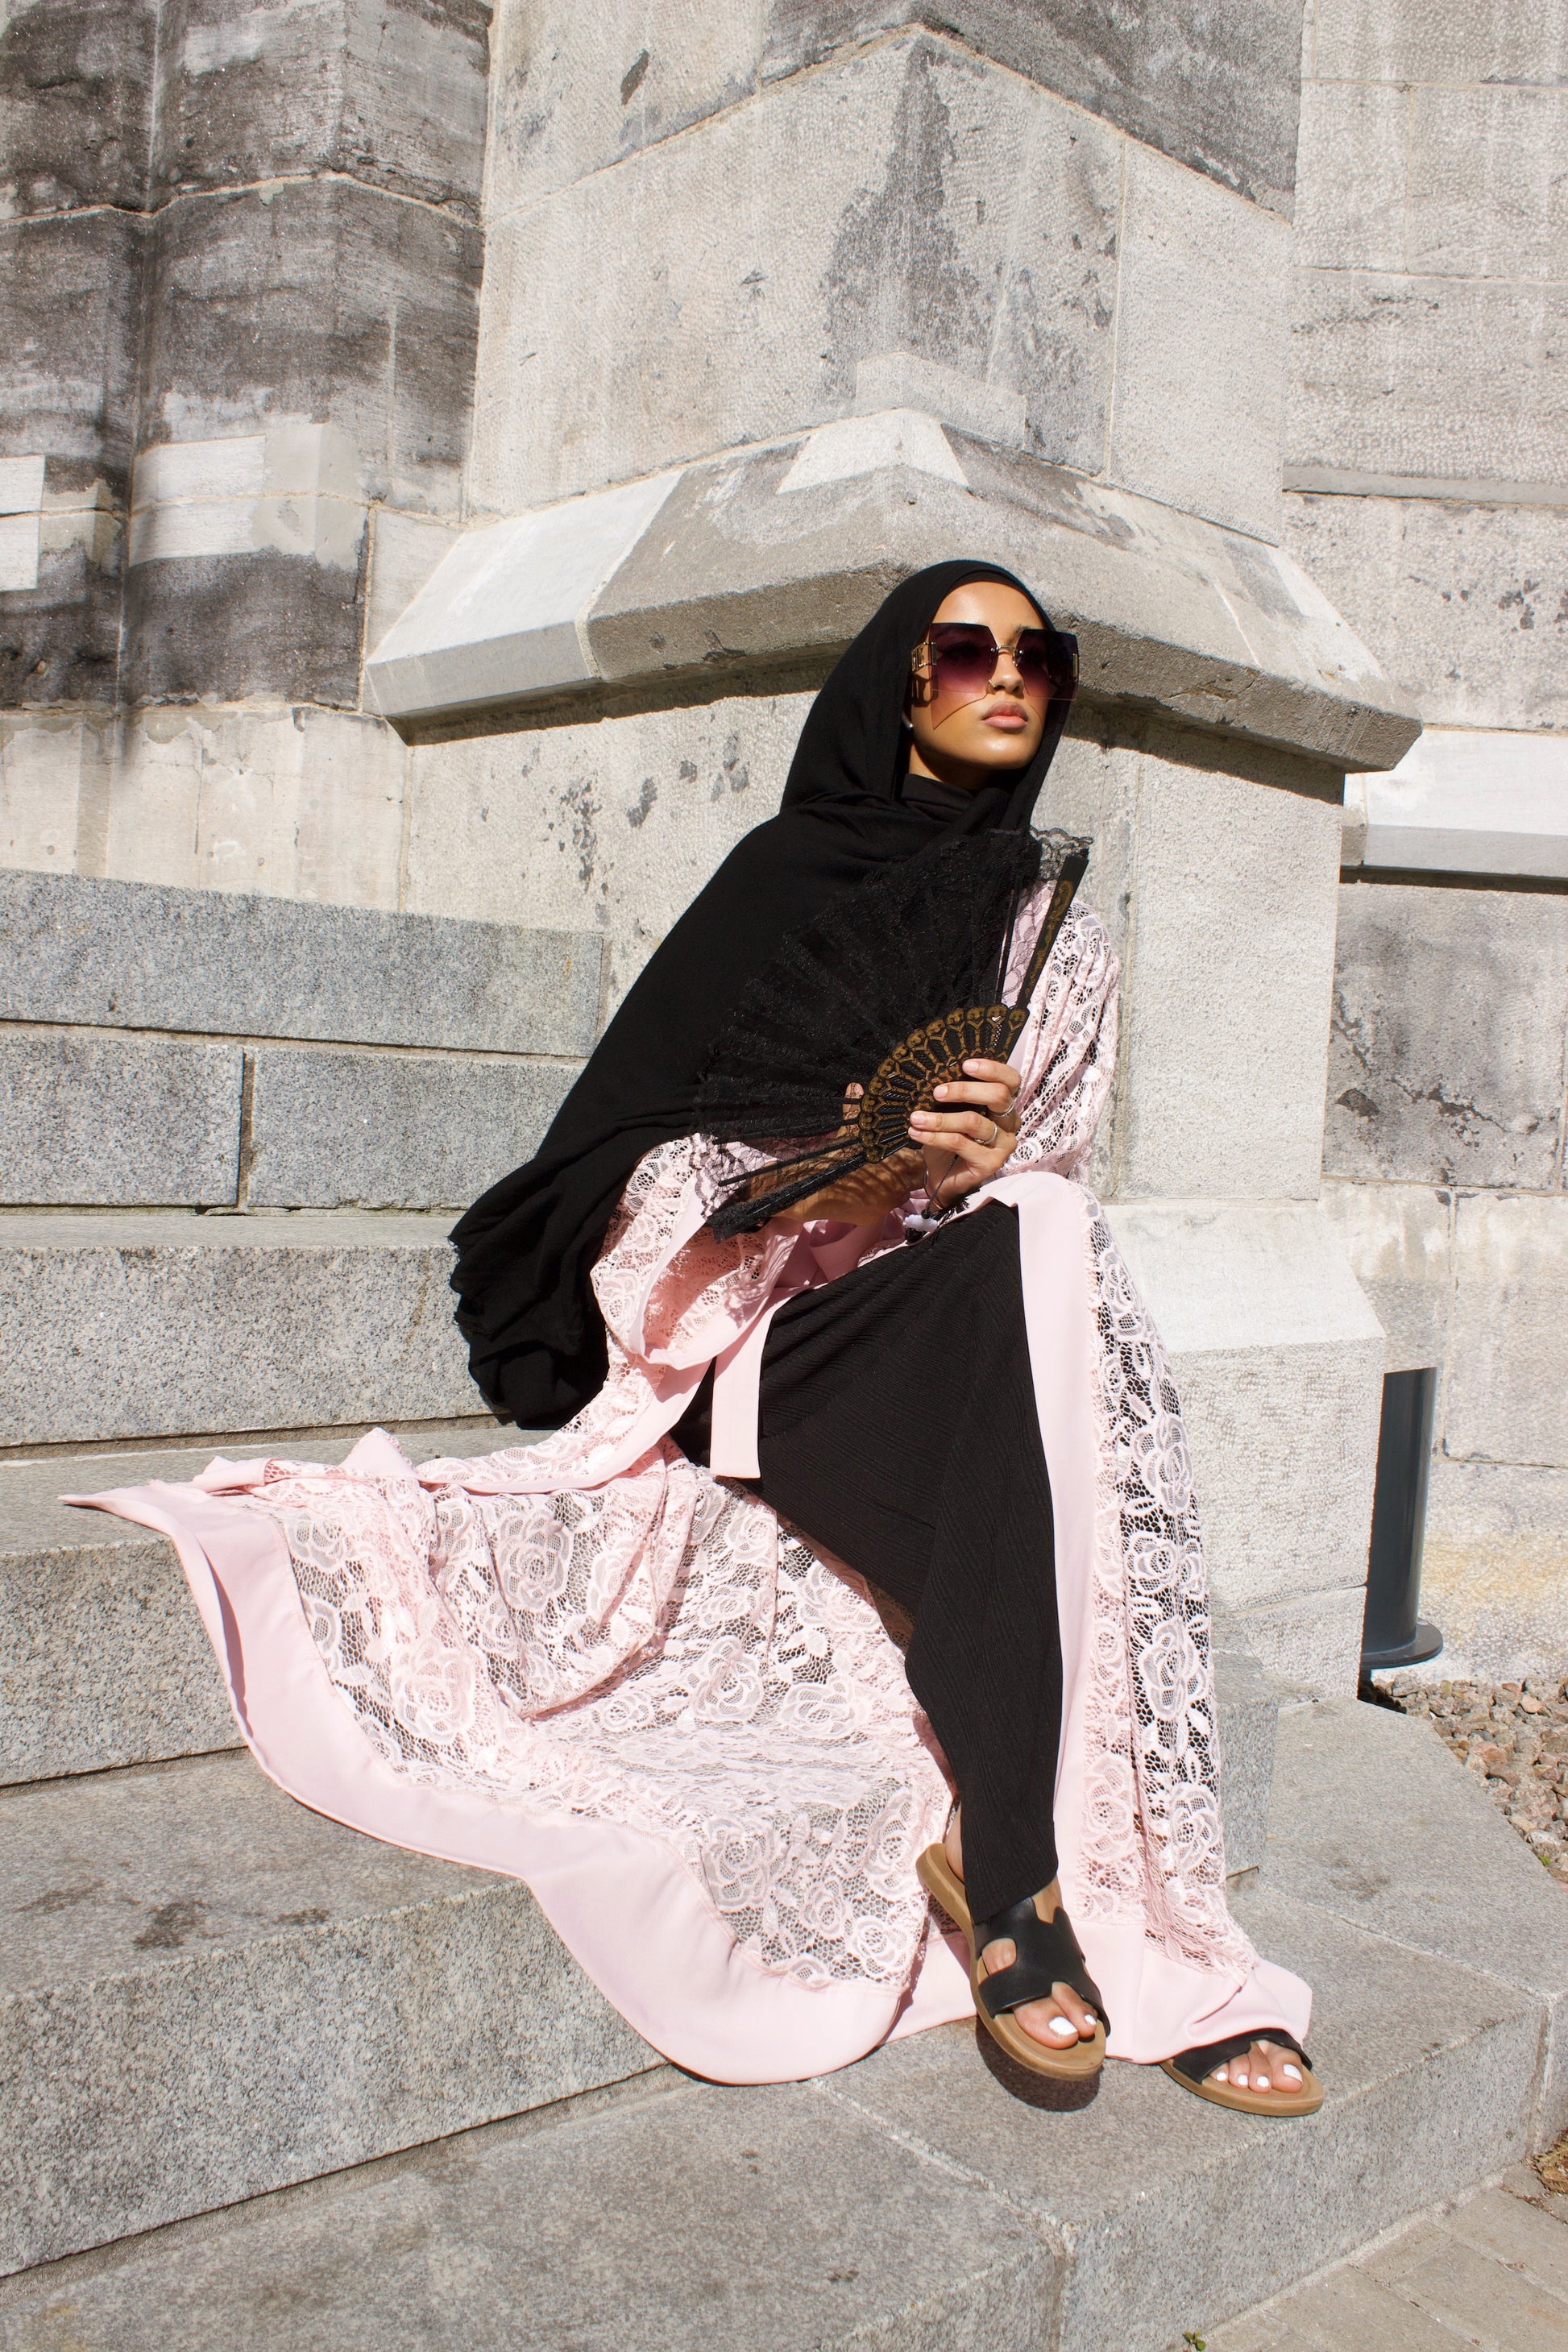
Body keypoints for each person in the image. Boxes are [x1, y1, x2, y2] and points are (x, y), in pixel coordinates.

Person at [77, 562, 1317, 2112]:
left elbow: (1032, 1207)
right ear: (898, 682)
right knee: (1038, 1315)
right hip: (762, 1336)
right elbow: (619, 1165)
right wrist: (835, 1180)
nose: (1006, 678)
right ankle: (1023, 1880)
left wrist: (969, 1173)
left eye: (1037, 656)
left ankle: (1037, 1865)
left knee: (1046, 1221)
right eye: (962, 651)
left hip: (945, 1332)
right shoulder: (785, 875)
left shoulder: (1052, 940)